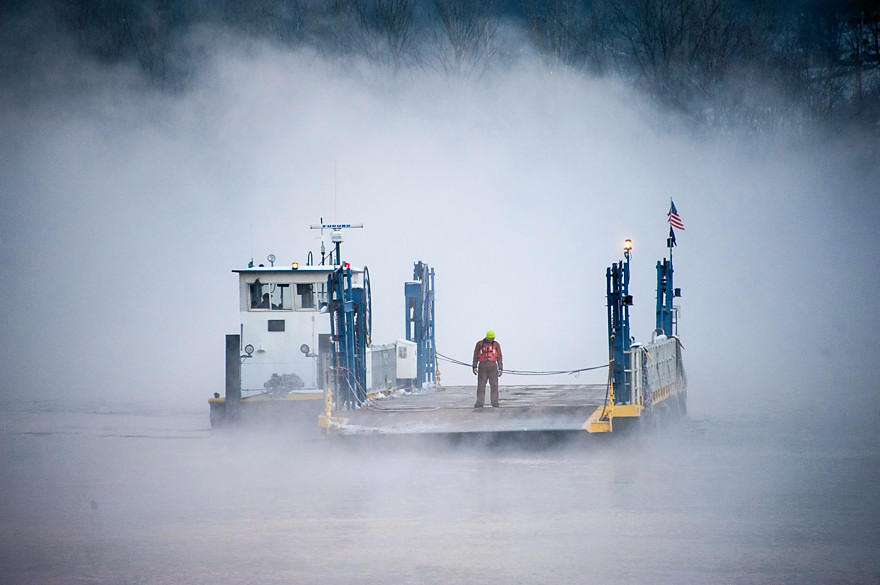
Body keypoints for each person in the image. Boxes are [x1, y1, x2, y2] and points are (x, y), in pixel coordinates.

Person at [472, 330, 503, 408]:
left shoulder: (496, 344)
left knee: (494, 385)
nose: (491, 340)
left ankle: (495, 402)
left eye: (492, 338)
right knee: (481, 386)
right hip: (482, 366)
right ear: (487, 337)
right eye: (490, 338)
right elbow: (475, 355)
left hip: (493, 367)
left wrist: (500, 367)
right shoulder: (479, 344)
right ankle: (479, 402)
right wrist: (474, 366)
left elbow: (499, 356)